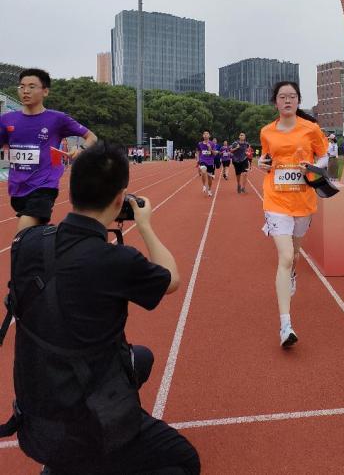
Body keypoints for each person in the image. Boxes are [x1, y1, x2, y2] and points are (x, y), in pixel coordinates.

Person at [0, 142, 200, 474]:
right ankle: (98, 453)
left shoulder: (27, 244)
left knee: (140, 360)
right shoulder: (116, 260)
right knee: (183, 460)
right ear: (120, 199)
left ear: (72, 191)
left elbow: (33, 233)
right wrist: (145, 225)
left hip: (35, 417)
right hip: (86, 428)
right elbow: (172, 279)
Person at [258, 81, 328, 347]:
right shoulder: (267, 131)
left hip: (303, 200)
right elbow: (265, 159)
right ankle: (285, 326)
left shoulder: (310, 129)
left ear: (298, 100)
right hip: (276, 200)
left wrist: (312, 166)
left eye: (292, 96)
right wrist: (261, 163)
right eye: (282, 97)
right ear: (275, 102)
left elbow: (324, 157)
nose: (287, 100)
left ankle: (292, 273)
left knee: (294, 255)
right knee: (285, 256)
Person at [0, 68, 97, 233]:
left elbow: (91, 137)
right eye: (22, 87)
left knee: (22, 234)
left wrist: (81, 148)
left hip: (44, 186)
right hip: (17, 187)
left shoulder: (57, 119)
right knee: (34, 234)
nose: (25, 91)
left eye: (32, 87)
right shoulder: (6, 120)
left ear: (45, 91)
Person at [196, 131, 216, 197]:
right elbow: (198, 152)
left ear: (209, 136)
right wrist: (198, 159)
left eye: (207, 134)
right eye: (204, 134)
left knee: (209, 177)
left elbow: (214, 154)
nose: (205, 135)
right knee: (203, 170)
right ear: (203, 136)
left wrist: (210, 149)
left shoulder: (212, 144)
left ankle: (209, 189)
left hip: (210, 162)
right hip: (203, 160)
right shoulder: (200, 144)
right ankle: (204, 185)